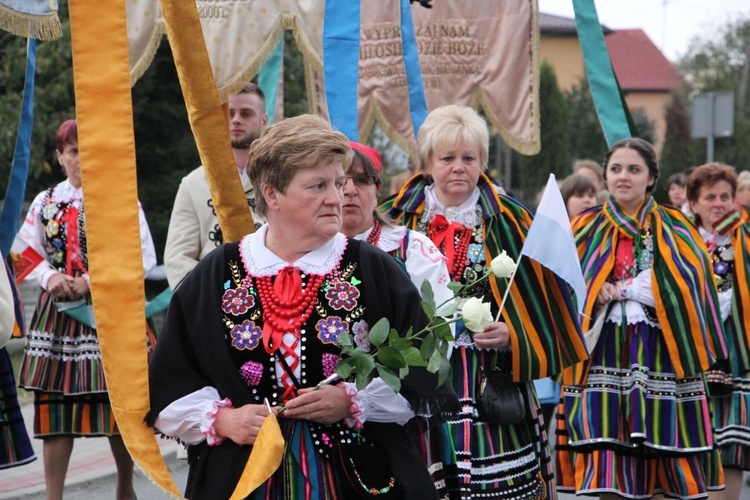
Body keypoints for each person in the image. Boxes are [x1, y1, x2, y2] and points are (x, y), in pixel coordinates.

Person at [147, 114, 458, 500]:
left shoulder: (372, 267)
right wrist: (225, 419)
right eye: (318, 185)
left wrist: (352, 400)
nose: (337, 197)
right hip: (245, 477)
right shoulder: (218, 273)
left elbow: (425, 369)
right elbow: (169, 384)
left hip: (356, 474)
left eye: (339, 183)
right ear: (272, 194)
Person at [382, 104, 586, 498]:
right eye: (447, 158)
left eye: (468, 158)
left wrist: (514, 333)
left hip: (488, 379)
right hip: (418, 377)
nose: (458, 167)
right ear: (427, 163)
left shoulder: (512, 220)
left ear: (483, 162)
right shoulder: (393, 220)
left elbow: (547, 301)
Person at [556, 138, 726, 499]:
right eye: (616, 169)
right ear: (605, 175)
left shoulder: (676, 226)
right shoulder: (584, 227)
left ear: (651, 178)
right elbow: (562, 287)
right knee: (605, 460)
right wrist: (593, 290)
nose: (623, 177)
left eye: (634, 169)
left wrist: (648, 290)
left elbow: (694, 286)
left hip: (661, 353)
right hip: (602, 354)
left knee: (664, 462)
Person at [16, 119, 157, 500]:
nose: (81, 158)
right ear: (61, 157)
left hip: (108, 313)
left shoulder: (121, 199)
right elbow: (23, 252)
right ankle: (53, 496)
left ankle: (125, 489)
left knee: (118, 408)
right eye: (74, 151)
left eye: (88, 150)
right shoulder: (45, 203)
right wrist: (50, 278)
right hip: (59, 317)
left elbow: (142, 255)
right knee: (56, 411)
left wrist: (92, 280)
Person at [164, 82, 268, 290]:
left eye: (246, 113)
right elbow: (178, 258)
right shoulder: (192, 184)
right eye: (229, 113)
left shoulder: (282, 178)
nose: (236, 120)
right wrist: (216, 293)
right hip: (212, 298)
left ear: (263, 121)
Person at [686, 163, 750, 500]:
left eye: (725, 196)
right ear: (694, 203)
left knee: (731, 450)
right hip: (690, 358)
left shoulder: (746, 237)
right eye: (709, 197)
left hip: (736, 358)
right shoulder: (681, 241)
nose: (719, 203)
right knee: (690, 448)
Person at [341, 142, 452, 307]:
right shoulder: (305, 249)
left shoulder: (412, 249)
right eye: (340, 181)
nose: (349, 190)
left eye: (361, 180)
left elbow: (440, 323)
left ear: (377, 190)